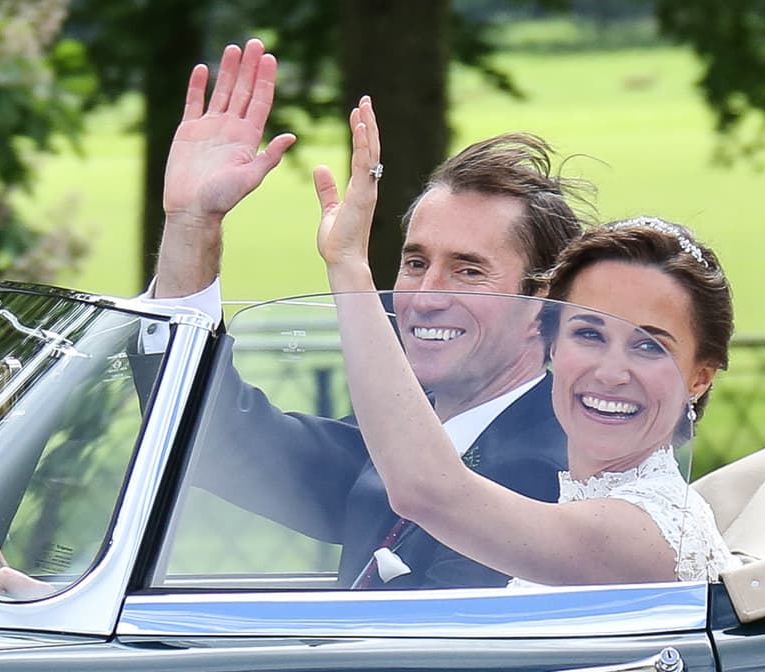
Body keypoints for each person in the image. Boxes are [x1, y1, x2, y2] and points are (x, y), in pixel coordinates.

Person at [147, 40, 587, 589]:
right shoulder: (405, 432)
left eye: (469, 271)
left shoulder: (551, 466)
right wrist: (192, 224)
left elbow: (430, 657)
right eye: (415, 262)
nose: (426, 296)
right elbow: (219, 439)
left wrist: (347, 270)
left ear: (541, 304)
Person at [316, 98, 738, 585]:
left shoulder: (648, 531)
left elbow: (428, 492)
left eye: (649, 346)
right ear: (551, 341)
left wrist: (349, 267)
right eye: (588, 334)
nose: (610, 372)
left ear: (700, 377)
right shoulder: (569, 500)